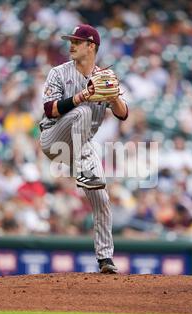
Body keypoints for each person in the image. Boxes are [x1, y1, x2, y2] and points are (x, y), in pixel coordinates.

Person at [39, 24, 128, 274]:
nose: (71, 45)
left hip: (83, 144)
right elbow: (50, 110)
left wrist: (114, 97)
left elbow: (123, 114)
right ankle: (82, 169)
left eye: (77, 41)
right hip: (54, 139)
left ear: (92, 46)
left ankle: (105, 259)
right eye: (71, 41)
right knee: (83, 111)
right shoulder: (58, 73)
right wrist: (83, 95)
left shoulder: (104, 77)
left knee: (101, 196)